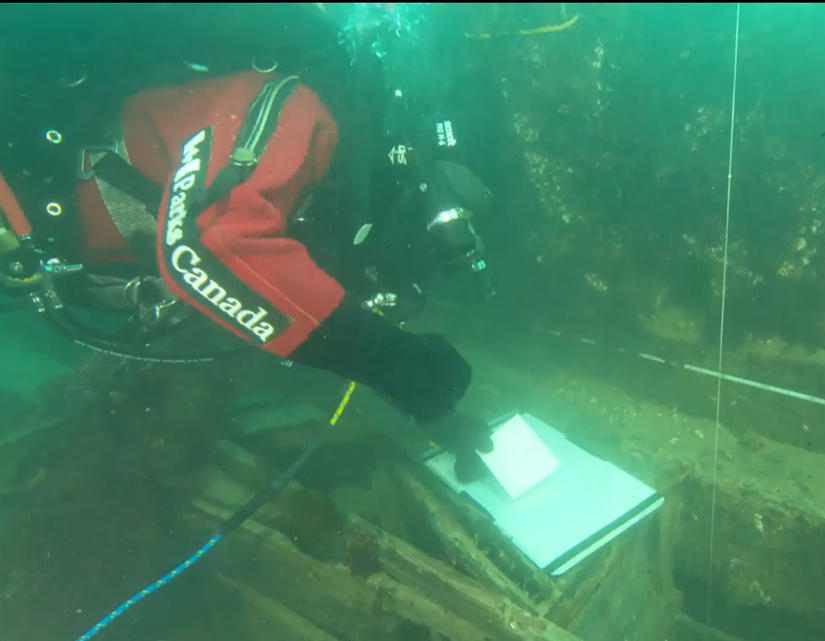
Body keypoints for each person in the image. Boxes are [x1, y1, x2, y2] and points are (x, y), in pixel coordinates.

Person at [0, 3, 495, 480]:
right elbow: (207, 247)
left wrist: (435, 412)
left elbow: (290, 299)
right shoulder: (295, 105)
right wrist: (388, 360)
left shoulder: (327, 178)